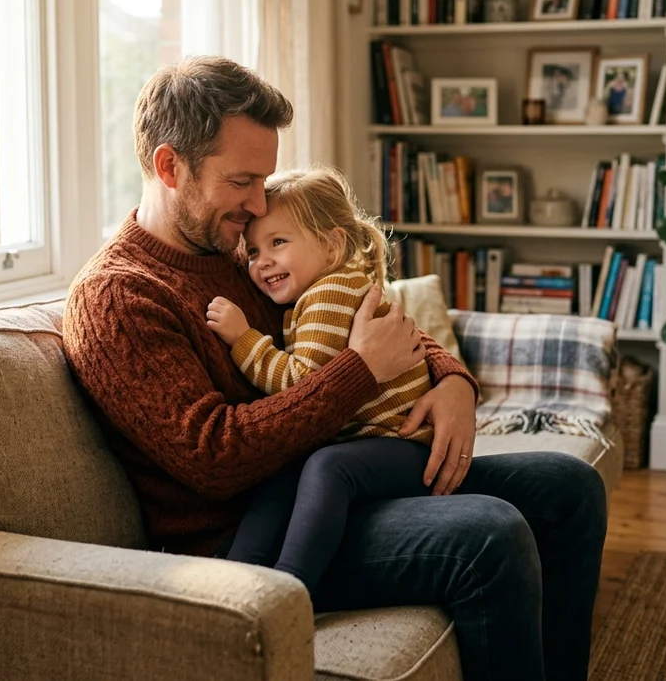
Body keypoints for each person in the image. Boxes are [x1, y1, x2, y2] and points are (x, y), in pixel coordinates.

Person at [63, 55, 607, 681]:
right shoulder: (119, 297)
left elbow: (350, 312)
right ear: (169, 166)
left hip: (336, 484)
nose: (259, 202)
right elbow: (214, 457)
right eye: (243, 181)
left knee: (570, 489)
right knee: (490, 534)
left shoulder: (235, 248)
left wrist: (452, 377)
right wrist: (360, 371)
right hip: (254, 539)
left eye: (264, 180)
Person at [203, 166, 438, 595]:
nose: (262, 261)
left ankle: (293, 589)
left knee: (327, 469)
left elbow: (300, 384)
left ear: (332, 245)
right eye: (253, 251)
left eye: (278, 242)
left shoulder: (328, 294)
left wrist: (242, 338)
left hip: (401, 447)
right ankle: (236, 584)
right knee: (282, 473)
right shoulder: (322, 287)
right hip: (378, 445)